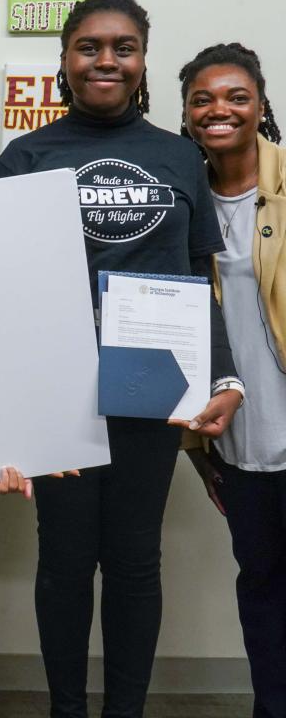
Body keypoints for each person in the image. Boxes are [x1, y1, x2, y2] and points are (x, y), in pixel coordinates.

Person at [0, 0, 243, 718]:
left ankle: (124, 711)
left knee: (134, 562)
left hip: (150, 385)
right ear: (65, 61)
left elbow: (201, 281)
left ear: (141, 62)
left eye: (123, 47)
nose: (107, 60)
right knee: (65, 563)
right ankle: (66, 709)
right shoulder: (27, 156)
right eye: (90, 47)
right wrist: (7, 406)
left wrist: (222, 374)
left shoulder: (177, 155)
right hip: (57, 388)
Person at [178, 43, 286, 718]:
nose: (219, 110)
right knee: (263, 590)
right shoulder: (180, 199)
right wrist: (200, 455)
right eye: (203, 99)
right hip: (239, 446)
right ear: (187, 113)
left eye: (236, 96)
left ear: (261, 106)